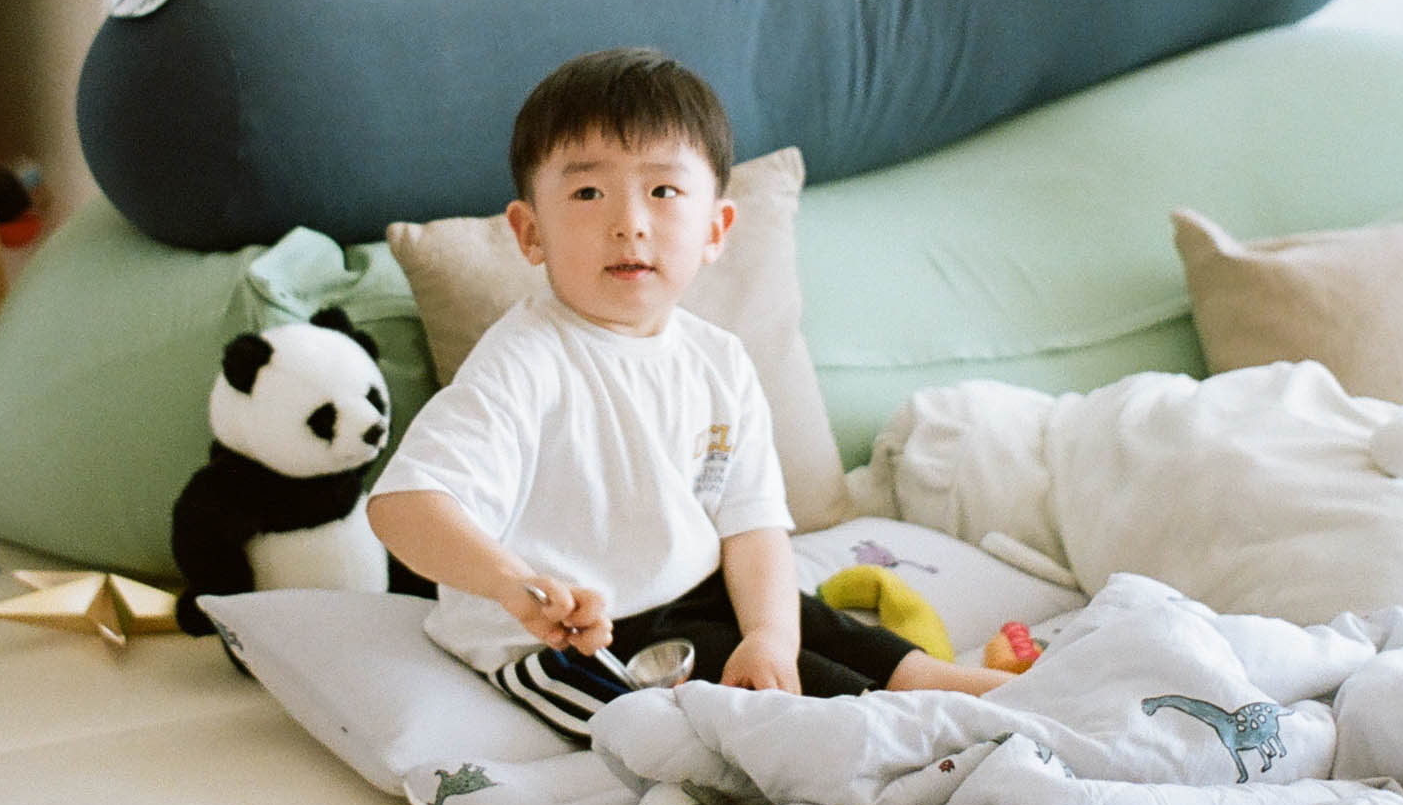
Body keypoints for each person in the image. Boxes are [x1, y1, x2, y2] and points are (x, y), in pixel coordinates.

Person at [369, 47, 1010, 742]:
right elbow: (403, 507)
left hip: (693, 590)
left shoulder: (719, 360)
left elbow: (752, 525)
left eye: (664, 192)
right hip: (570, 633)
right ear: (530, 233)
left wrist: (768, 636)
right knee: (746, 713)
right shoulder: (523, 363)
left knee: (806, 626)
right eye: (588, 194)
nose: (629, 222)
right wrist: (511, 583)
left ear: (714, 230)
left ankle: (946, 685)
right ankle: (894, 735)